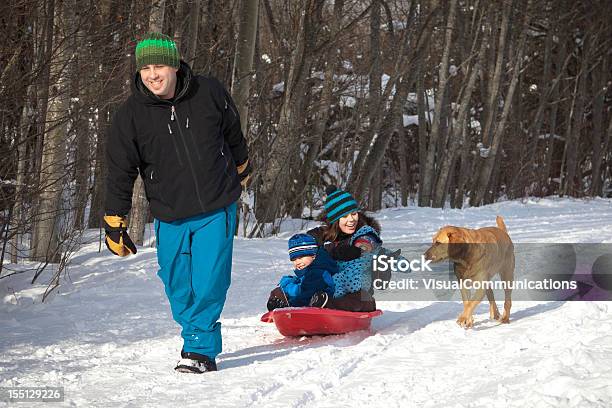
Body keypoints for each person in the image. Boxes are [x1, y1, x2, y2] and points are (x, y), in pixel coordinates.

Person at [103, 32, 251, 374]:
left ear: (174, 66)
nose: (153, 75)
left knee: (209, 279)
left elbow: (232, 131)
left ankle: (199, 349)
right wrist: (114, 217)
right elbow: (120, 172)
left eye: (159, 66)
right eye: (146, 68)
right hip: (169, 214)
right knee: (176, 283)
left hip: (216, 205)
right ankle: (194, 329)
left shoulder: (208, 91)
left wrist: (242, 165)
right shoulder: (129, 117)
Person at [306, 186, 392, 312]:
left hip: (355, 292)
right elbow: (307, 242)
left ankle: (327, 304)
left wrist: (357, 251)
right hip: (328, 287)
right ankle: (283, 302)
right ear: (335, 220)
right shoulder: (324, 236)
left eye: (354, 213)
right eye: (345, 216)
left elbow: (367, 243)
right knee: (294, 284)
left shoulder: (364, 232)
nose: (351, 219)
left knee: (362, 300)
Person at [266, 233, 338, 311]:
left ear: (313, 255)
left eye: (301, 257)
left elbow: (307, 295)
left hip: (322, 305)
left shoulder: (318, 272)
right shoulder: (309, 271)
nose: (297, 262)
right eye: (294, 259)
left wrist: (290, 306)